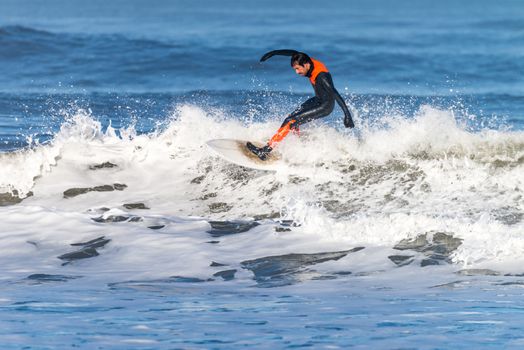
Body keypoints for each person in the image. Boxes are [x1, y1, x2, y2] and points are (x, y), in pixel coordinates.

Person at [247, 49, 355, 160]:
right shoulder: (306, 60)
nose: (297, 72)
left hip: (325, 106)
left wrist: (347, 115)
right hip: (318, 99)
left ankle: (265, 151)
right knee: (292, 117)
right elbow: (294, 53)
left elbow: (335, 93)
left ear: (306, 65)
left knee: (290, 121)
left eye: (298, 69)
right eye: (295, 69)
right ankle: (298, 146)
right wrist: (273, 53)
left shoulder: (322, 76)